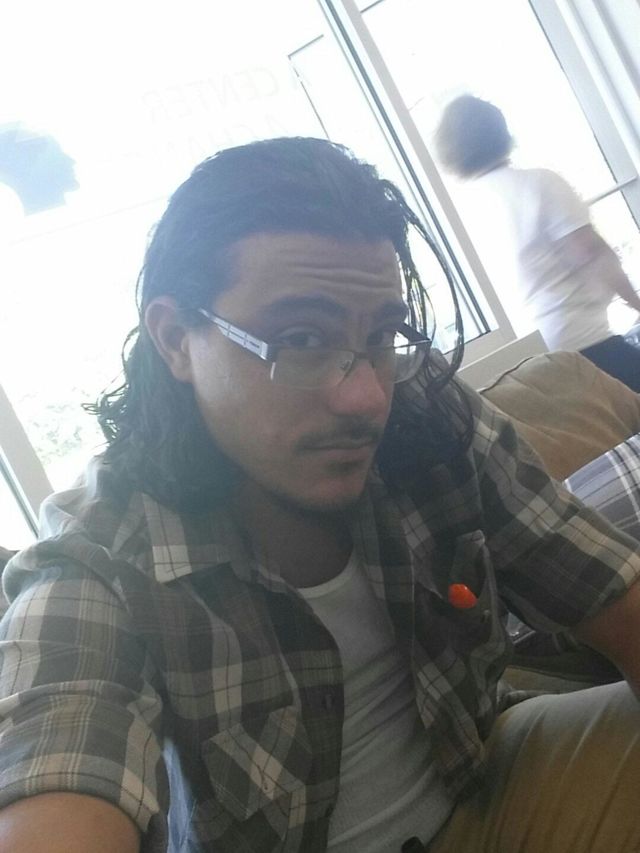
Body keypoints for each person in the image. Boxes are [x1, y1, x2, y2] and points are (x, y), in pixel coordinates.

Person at [0, 136, 639, 853]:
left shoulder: (430, 416)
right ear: (177, 338)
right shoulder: (100, 563)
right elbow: (59, 752)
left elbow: (617, 599)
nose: (365, 397)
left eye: (382, 335)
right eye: (302, 339)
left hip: (481, 782)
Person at [434, 94, 640, 392]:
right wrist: (636, 303)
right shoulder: (539, 183)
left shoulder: (467, 210)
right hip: (586, 340)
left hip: (536, 359)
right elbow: (590, 251)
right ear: (501, 133)